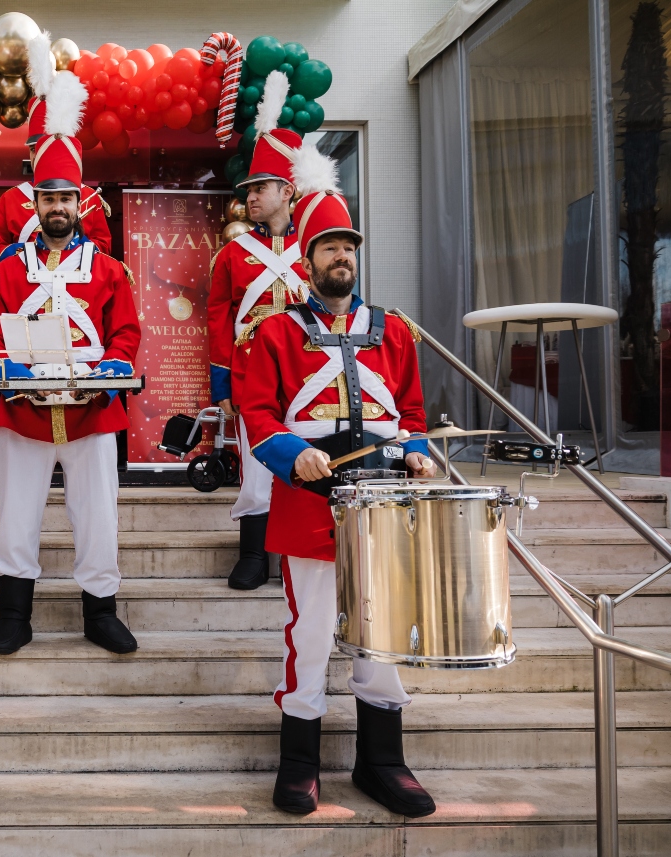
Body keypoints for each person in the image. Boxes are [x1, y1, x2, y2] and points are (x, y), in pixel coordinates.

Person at [239, 148, 438, 819]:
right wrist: (292, 452)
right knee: (314, 632)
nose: (342, 257)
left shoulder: (395, 333)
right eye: (329, 247)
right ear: (307, 260)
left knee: (383, 631)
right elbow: (258, 412)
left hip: (384, 503)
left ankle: (382, 761)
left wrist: (417, 454)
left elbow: (411, 415)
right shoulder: (274, 333)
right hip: (310, 502)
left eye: (348, 246)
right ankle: (300, 762)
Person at [0, 71, 141, 656]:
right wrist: (10, 372)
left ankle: (100, 613)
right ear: (36, 203)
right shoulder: (5, 269)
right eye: (47, 198)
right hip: (24, 410)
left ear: (79, 204)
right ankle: (14, 615)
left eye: (66, 198)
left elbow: (126, 332)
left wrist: (114, 367)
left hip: (93, 409)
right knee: (16, 514)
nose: (57, 207)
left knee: (98, 515)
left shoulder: (109, 269)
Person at [206, 70, 309, 590]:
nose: (249, 196)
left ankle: (298, 552)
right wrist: (222, 383)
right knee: (256, 462)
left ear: (286, 191)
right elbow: (218, 319)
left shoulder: (316, 248)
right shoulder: (232, 253)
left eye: (260, 188)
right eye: (248, 189)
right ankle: (253, 553)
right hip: (251, 375)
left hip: (309, 372)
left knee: (309, 458)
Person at [0, 32, 112, 263]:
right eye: (34, 149)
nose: (41, 155)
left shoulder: (89, 197)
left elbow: (104, 247)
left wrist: (72, 248)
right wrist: (29, 253)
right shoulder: (9, 199)